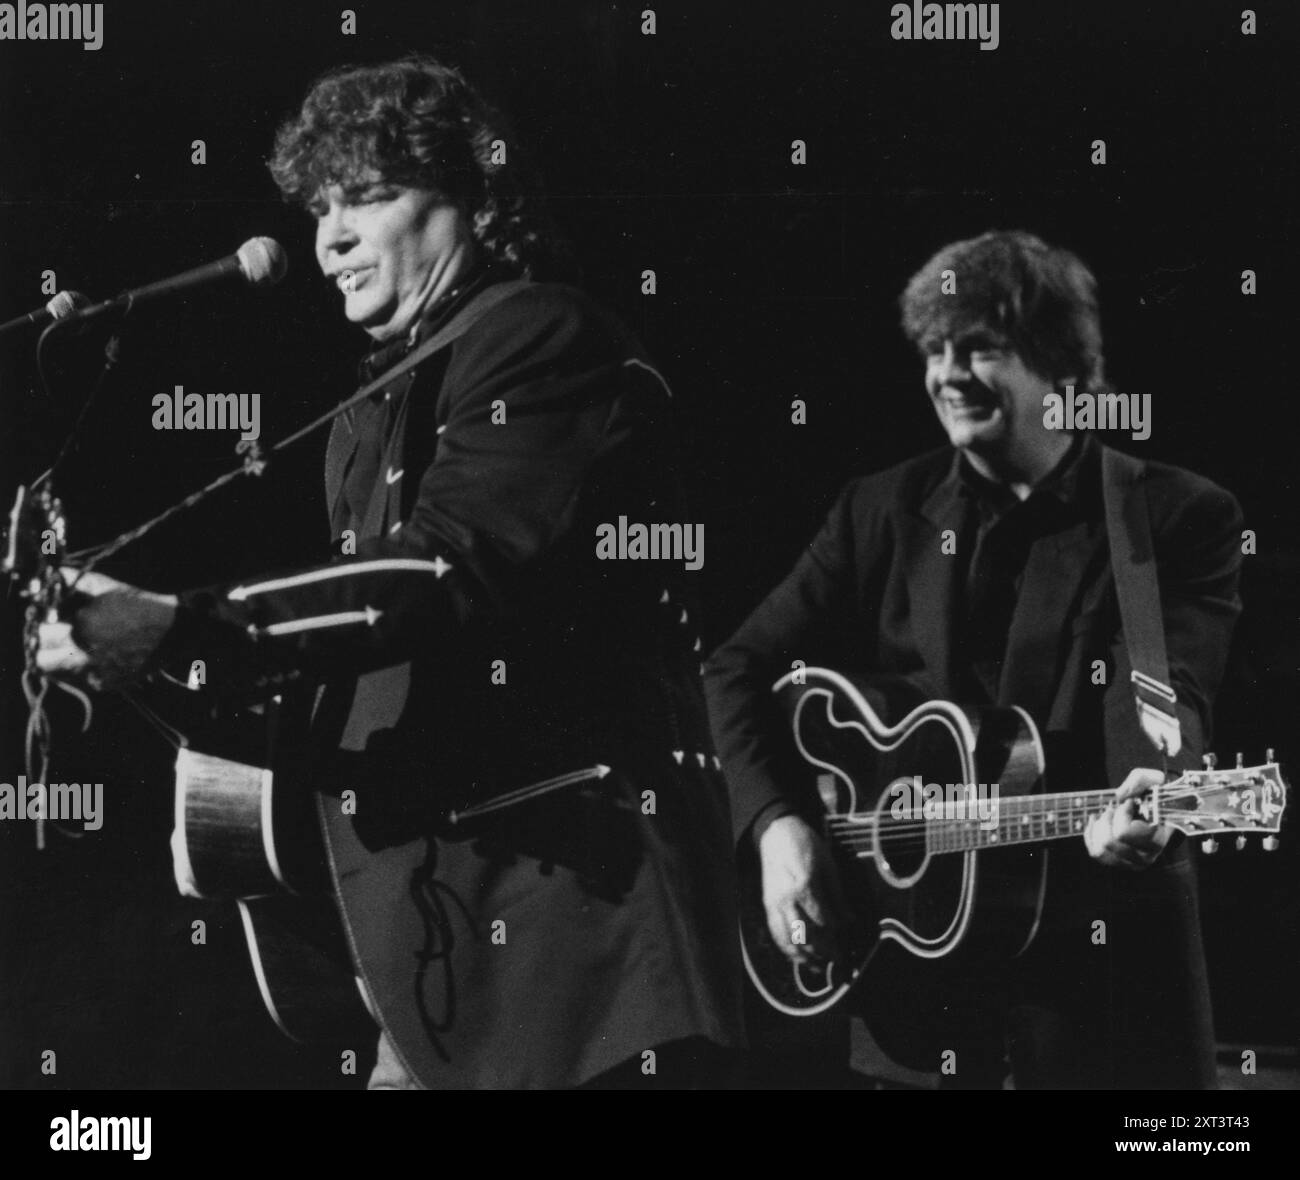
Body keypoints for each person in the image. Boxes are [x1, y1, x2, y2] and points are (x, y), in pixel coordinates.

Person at [37, 55, 744, 1089]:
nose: (327, 238)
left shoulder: (540, 338)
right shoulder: (367, 417)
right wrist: (213, 774)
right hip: (437, 970)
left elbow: (438, 575)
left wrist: (182, 626)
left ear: (471, 196)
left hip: (580, 960)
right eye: (321, 206)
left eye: (365, 197)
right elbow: (368, 664)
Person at [705, 230, 1243, 1089]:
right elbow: (733, 667)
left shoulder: (1174, 515)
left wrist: (1153, 782)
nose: (947, 375)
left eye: (980, 349)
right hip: (915, 991)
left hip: (1093, 965)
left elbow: (1164, 685)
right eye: (934, 352)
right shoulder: (879, 508)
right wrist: (776, 825)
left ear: (1061, 367)